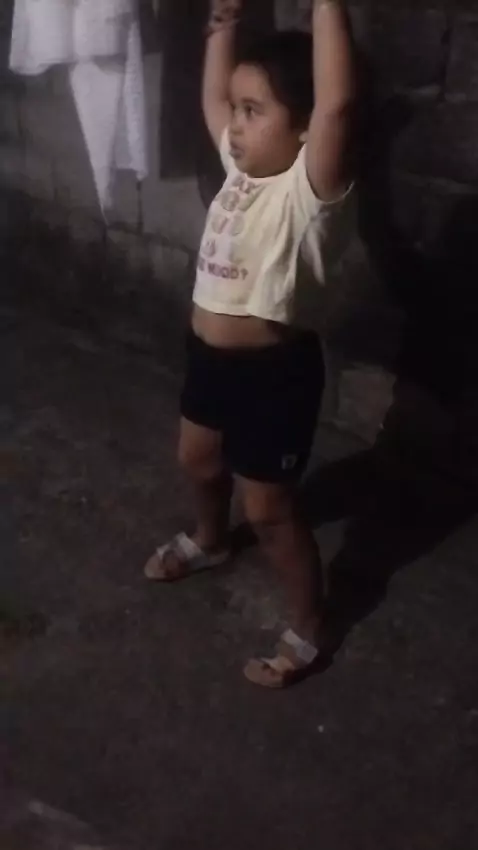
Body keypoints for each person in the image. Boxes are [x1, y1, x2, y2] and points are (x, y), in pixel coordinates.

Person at [144, 0, 356, 688]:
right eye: (236, 111)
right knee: (198, 460)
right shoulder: (240, 174)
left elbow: (337, 103)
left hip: (273, 376)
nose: (233, 124)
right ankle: (210, 540)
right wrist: (225, 19)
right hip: (207, 358)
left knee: (268, 510)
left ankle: (310, 624)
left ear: (303, 128)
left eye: (254, 111)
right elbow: (211, 94)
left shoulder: (307, 192)